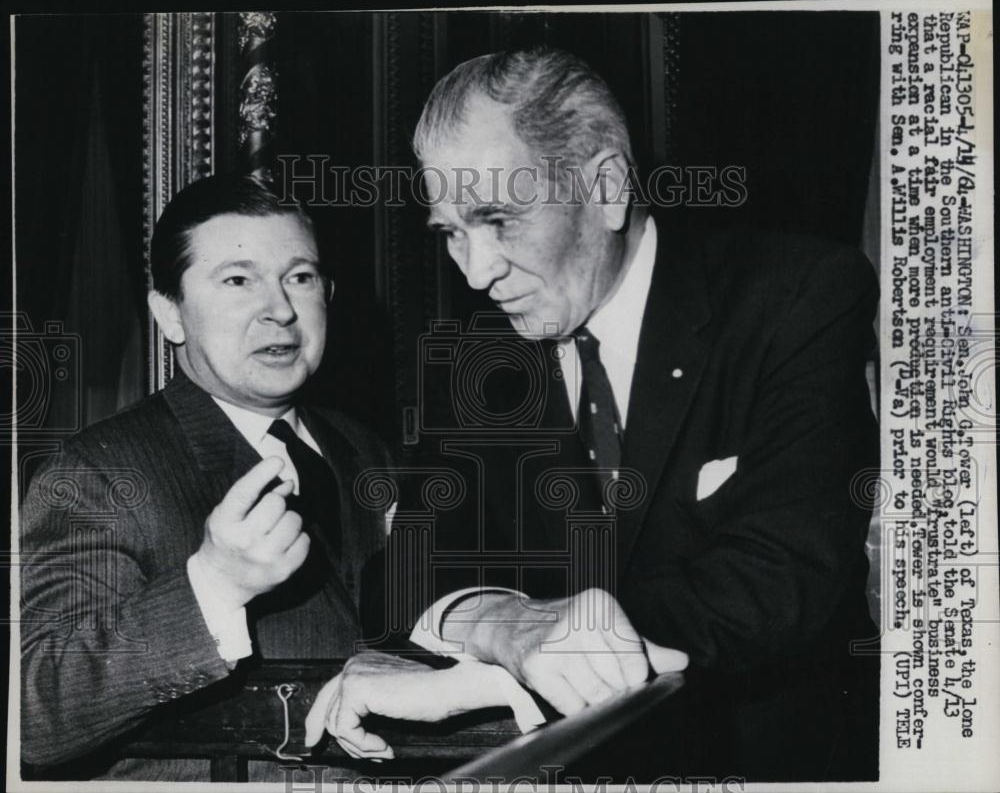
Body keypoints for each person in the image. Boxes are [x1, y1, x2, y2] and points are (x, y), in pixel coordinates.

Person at [309, 48, 880, 782]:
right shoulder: (482, 360)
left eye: (497, 219)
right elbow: (404, 576)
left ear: (607, 187)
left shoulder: (795, 300)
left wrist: (525, 652)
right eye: (449, 231)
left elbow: (778, 582)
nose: (476, 272)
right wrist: (511, 629)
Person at [19, 174, 393, 781]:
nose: (280, 309)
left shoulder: (365, 449)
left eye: (299, 277)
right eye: (239, 280)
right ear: (170, 314)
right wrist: (212, 588)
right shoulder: (99, 473)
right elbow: (35, 716)